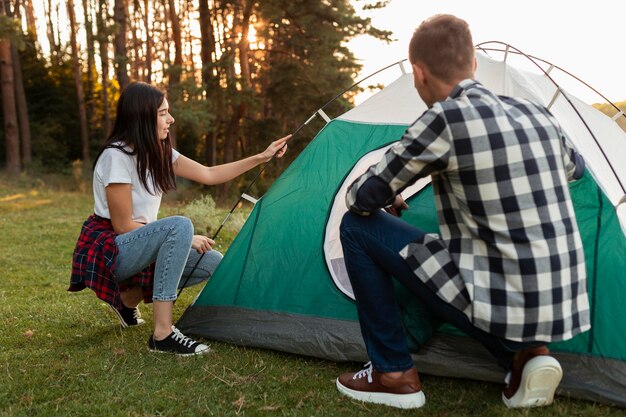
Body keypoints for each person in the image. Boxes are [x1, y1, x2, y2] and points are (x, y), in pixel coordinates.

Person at [335, 14, 590, 409]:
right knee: (469, 254)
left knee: (355, 226)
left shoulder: (444, 121)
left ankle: (393, 373)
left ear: (418, 73)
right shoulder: (536, 113)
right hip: (560, 300)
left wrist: (390, 192)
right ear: (473, 64)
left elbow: (361, 197)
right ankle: (527, 356)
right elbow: (577, 168)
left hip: (498, 296)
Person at [69, 81, 289, 356]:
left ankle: (127, 301)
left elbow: (209, 174)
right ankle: (163, 334)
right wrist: (184, 238)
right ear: (142, 116)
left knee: (210, 262)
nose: (170, 119)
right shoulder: (116, 156)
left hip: (138, 240)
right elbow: (123, 226)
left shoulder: (159, 151)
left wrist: (262, 156)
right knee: (180, 226)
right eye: (163, 113)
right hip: (111, 247)